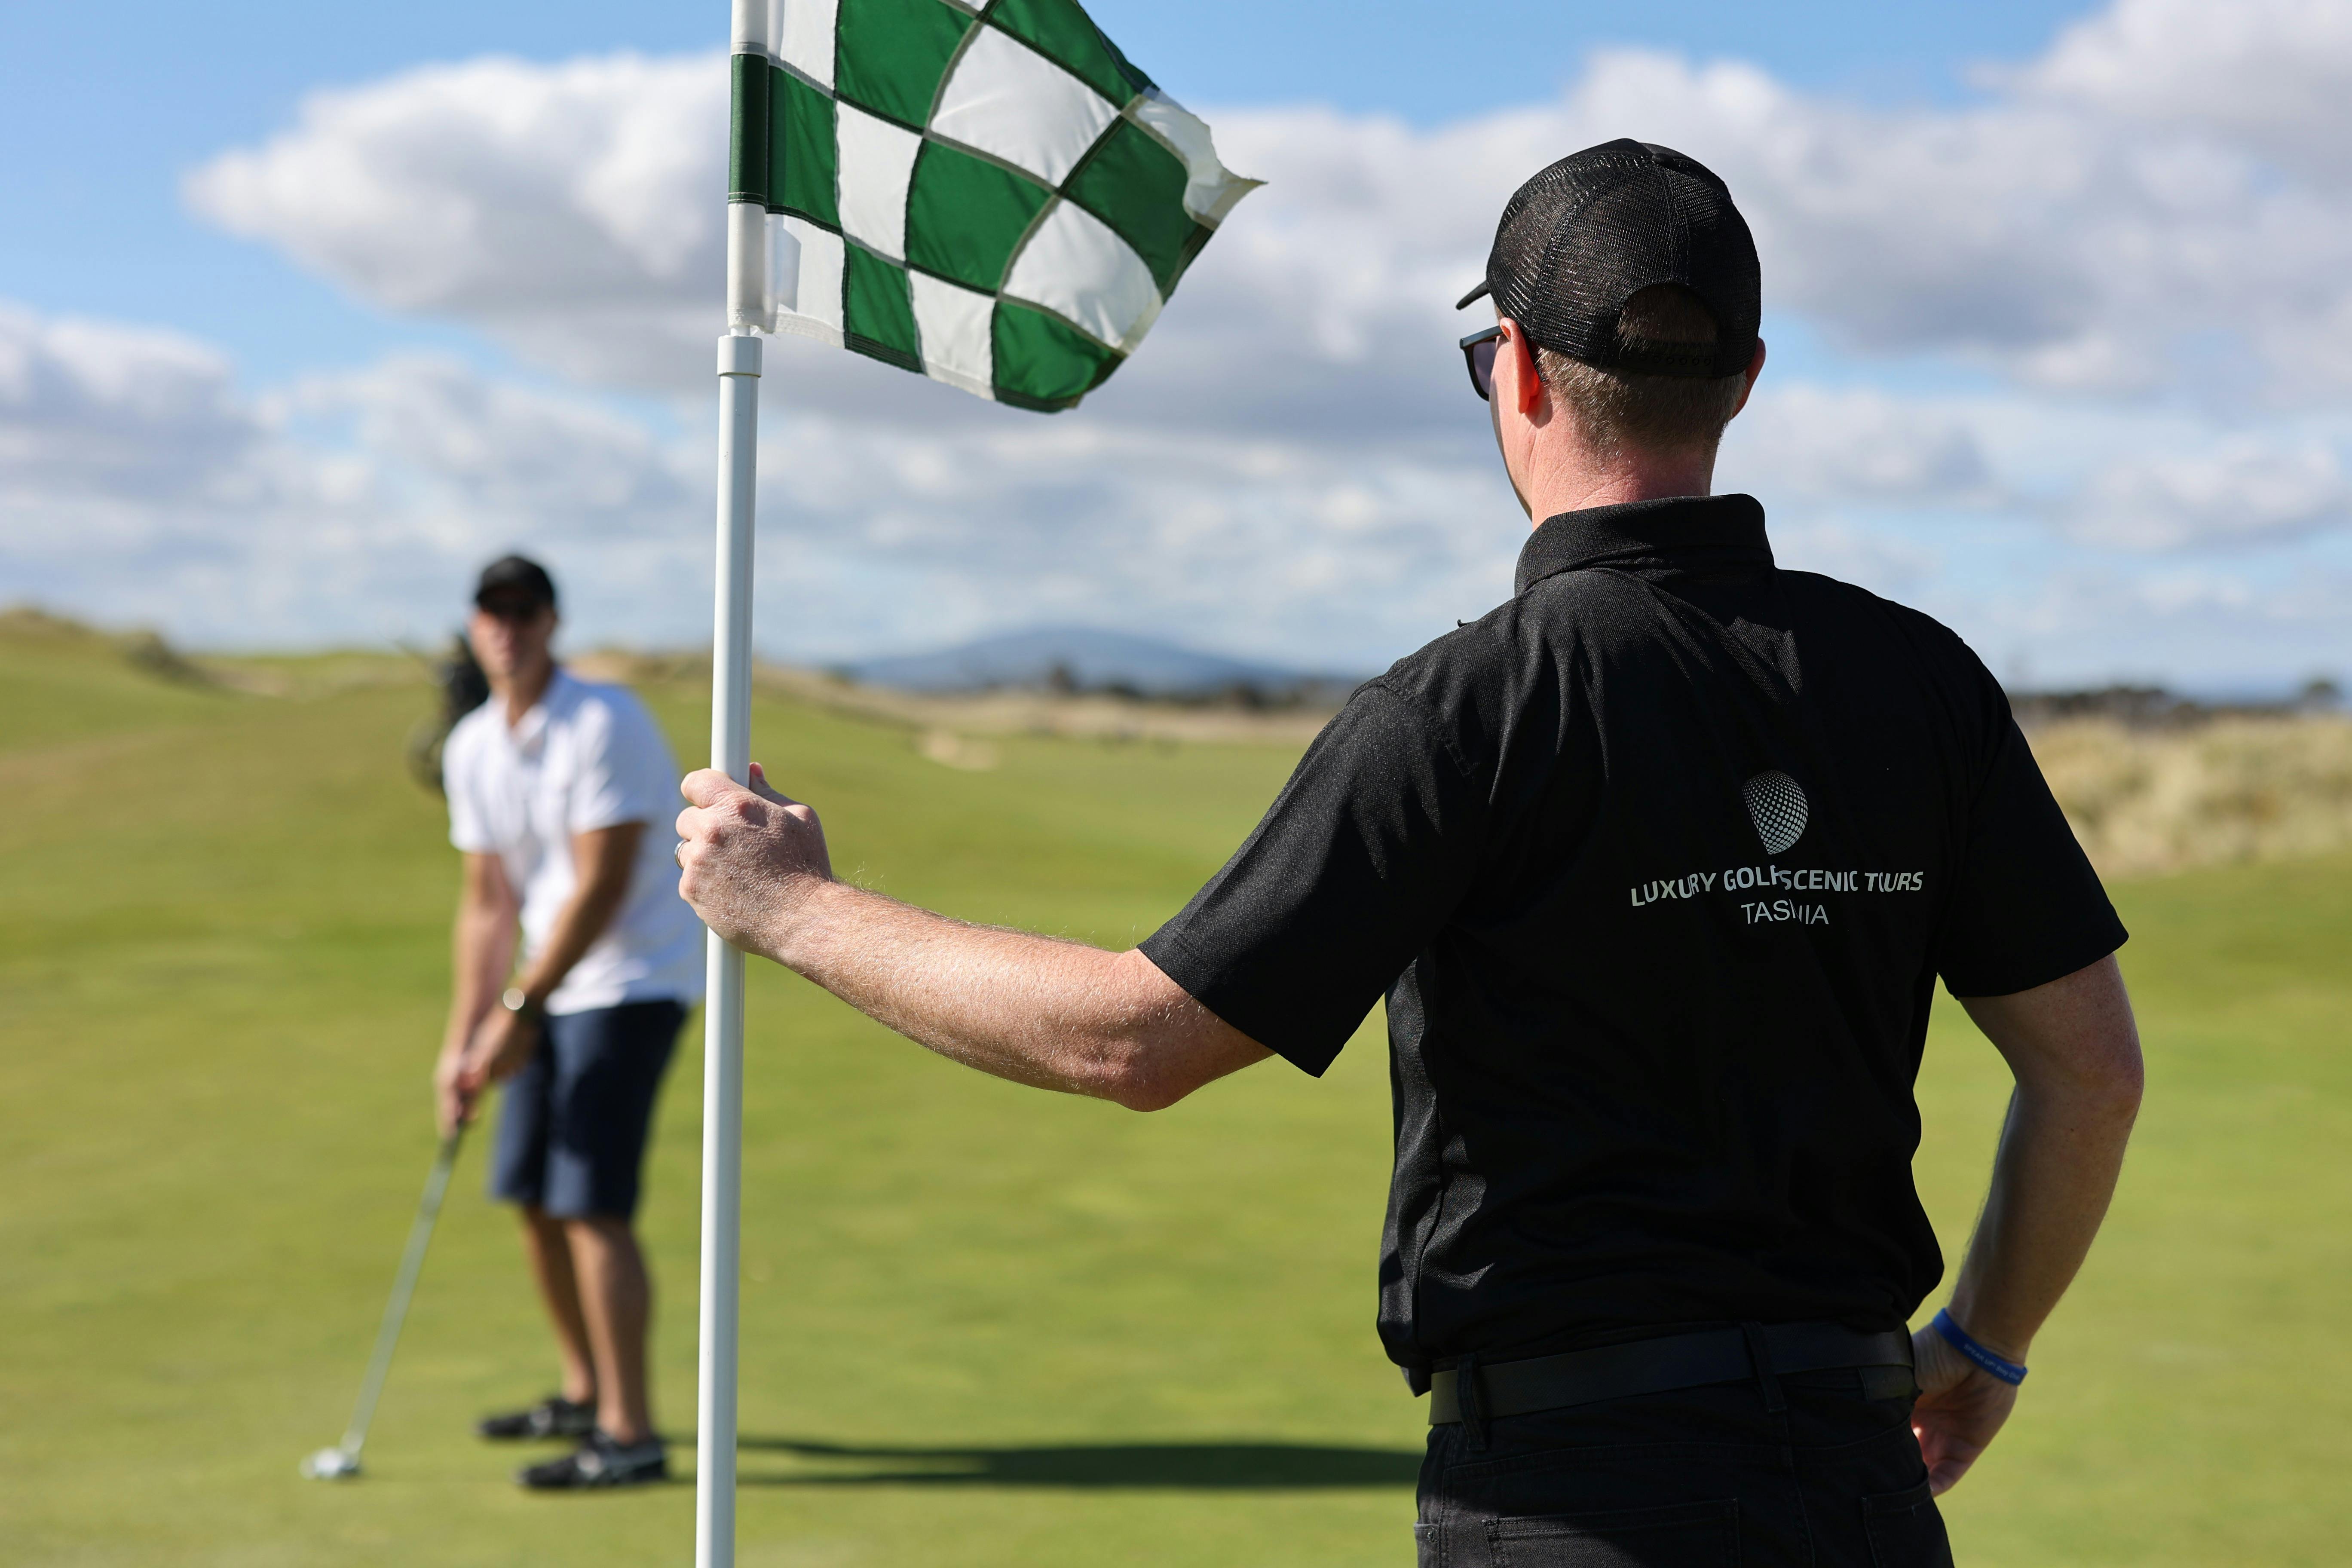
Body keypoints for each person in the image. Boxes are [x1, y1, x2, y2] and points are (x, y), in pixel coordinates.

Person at [674, 141, 2144, 1564]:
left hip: (1573, 1500)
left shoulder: (1466, 707)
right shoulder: (1919, 679)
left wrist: (796, 907)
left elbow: (1132, 1039)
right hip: (1857, 1485)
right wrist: (1987, 1340)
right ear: (1746, 380)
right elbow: (2092, 1065)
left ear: (1511, 366)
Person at [435, 554, 703, 1490]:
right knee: (534, 1200)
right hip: (546, 990)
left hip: (632, 980)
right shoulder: (473, 744)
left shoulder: (605, 720)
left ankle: (631, 1435)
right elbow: (486, 905)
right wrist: (465, 1036)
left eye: (524, 610)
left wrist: (519, 1008)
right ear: (475, 626)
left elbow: (601, 885)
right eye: (491, 611)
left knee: (592, 1202)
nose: (506, 626)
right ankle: (585, 1392)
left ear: (551, 622)